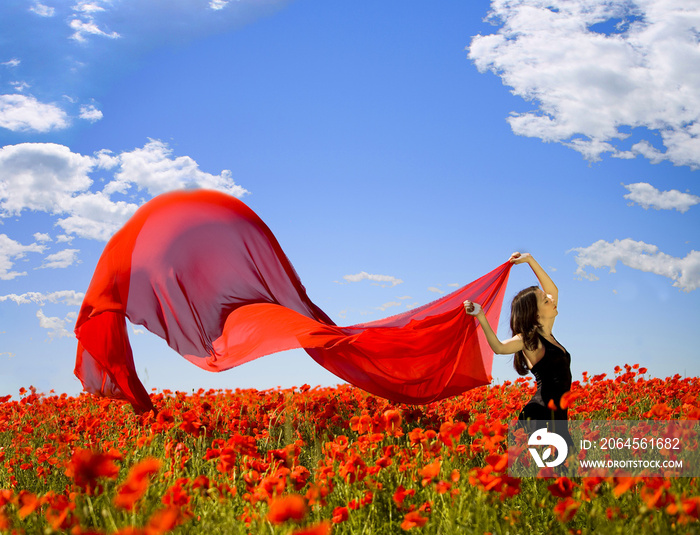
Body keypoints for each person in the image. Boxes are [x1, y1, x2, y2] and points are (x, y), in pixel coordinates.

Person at [463, 252, 574, 452]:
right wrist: (481, 316)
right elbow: (499, 347)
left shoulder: (549, 333)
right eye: (545, 301)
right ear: (536, 313)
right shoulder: (528, 340)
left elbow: (553, 290)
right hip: (539, 416)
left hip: (558, 417)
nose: (551, 299)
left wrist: (530, 259)